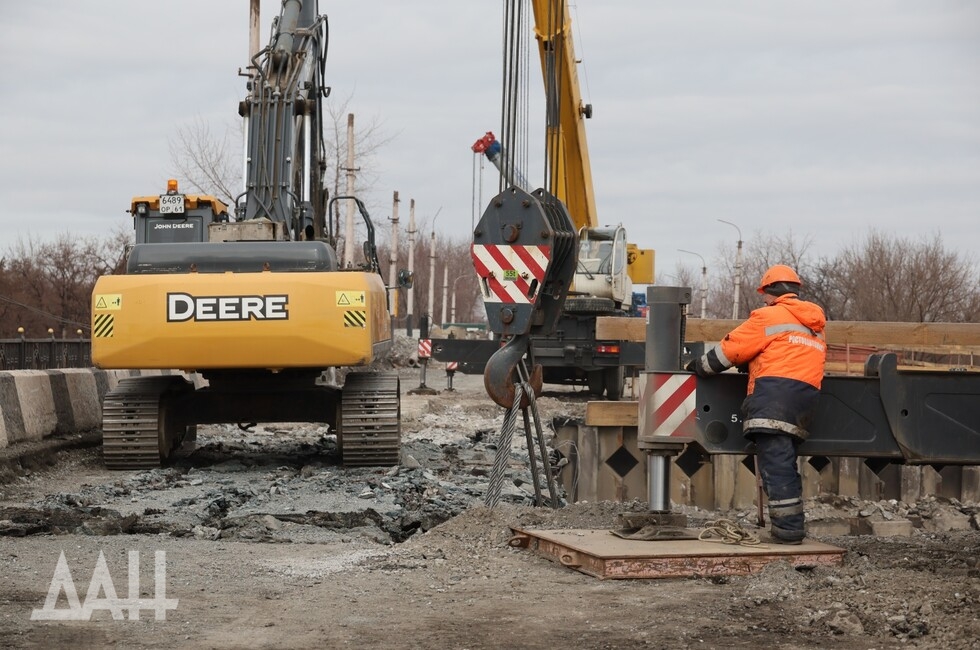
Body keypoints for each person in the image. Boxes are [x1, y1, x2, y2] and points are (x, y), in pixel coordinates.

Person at [687, 264, 827, 543]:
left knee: (776, 464)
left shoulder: (767, 316)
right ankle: (789, 526)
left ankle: (789, 531)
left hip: (775, 395)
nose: (763, 299)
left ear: (772, 292)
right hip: (806, 396)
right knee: (784, 460)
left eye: (764, 294)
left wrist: (697, 367)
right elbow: (786, 354)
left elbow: (730, 350)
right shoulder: (815, 323)